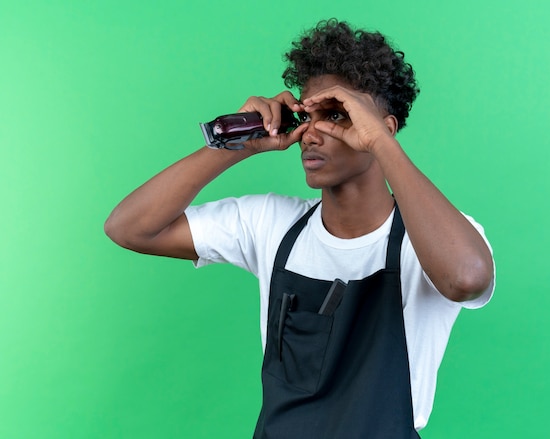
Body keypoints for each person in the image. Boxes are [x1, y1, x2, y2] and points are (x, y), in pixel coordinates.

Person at [105, 18, 495, 438]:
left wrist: (381, 145)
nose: (312, 134)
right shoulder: (271, 224)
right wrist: (235, 143)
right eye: (307, 116)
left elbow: (466, 279)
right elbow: (129, 227)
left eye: (337, 115)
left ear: (383, 127)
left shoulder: (434, 237)